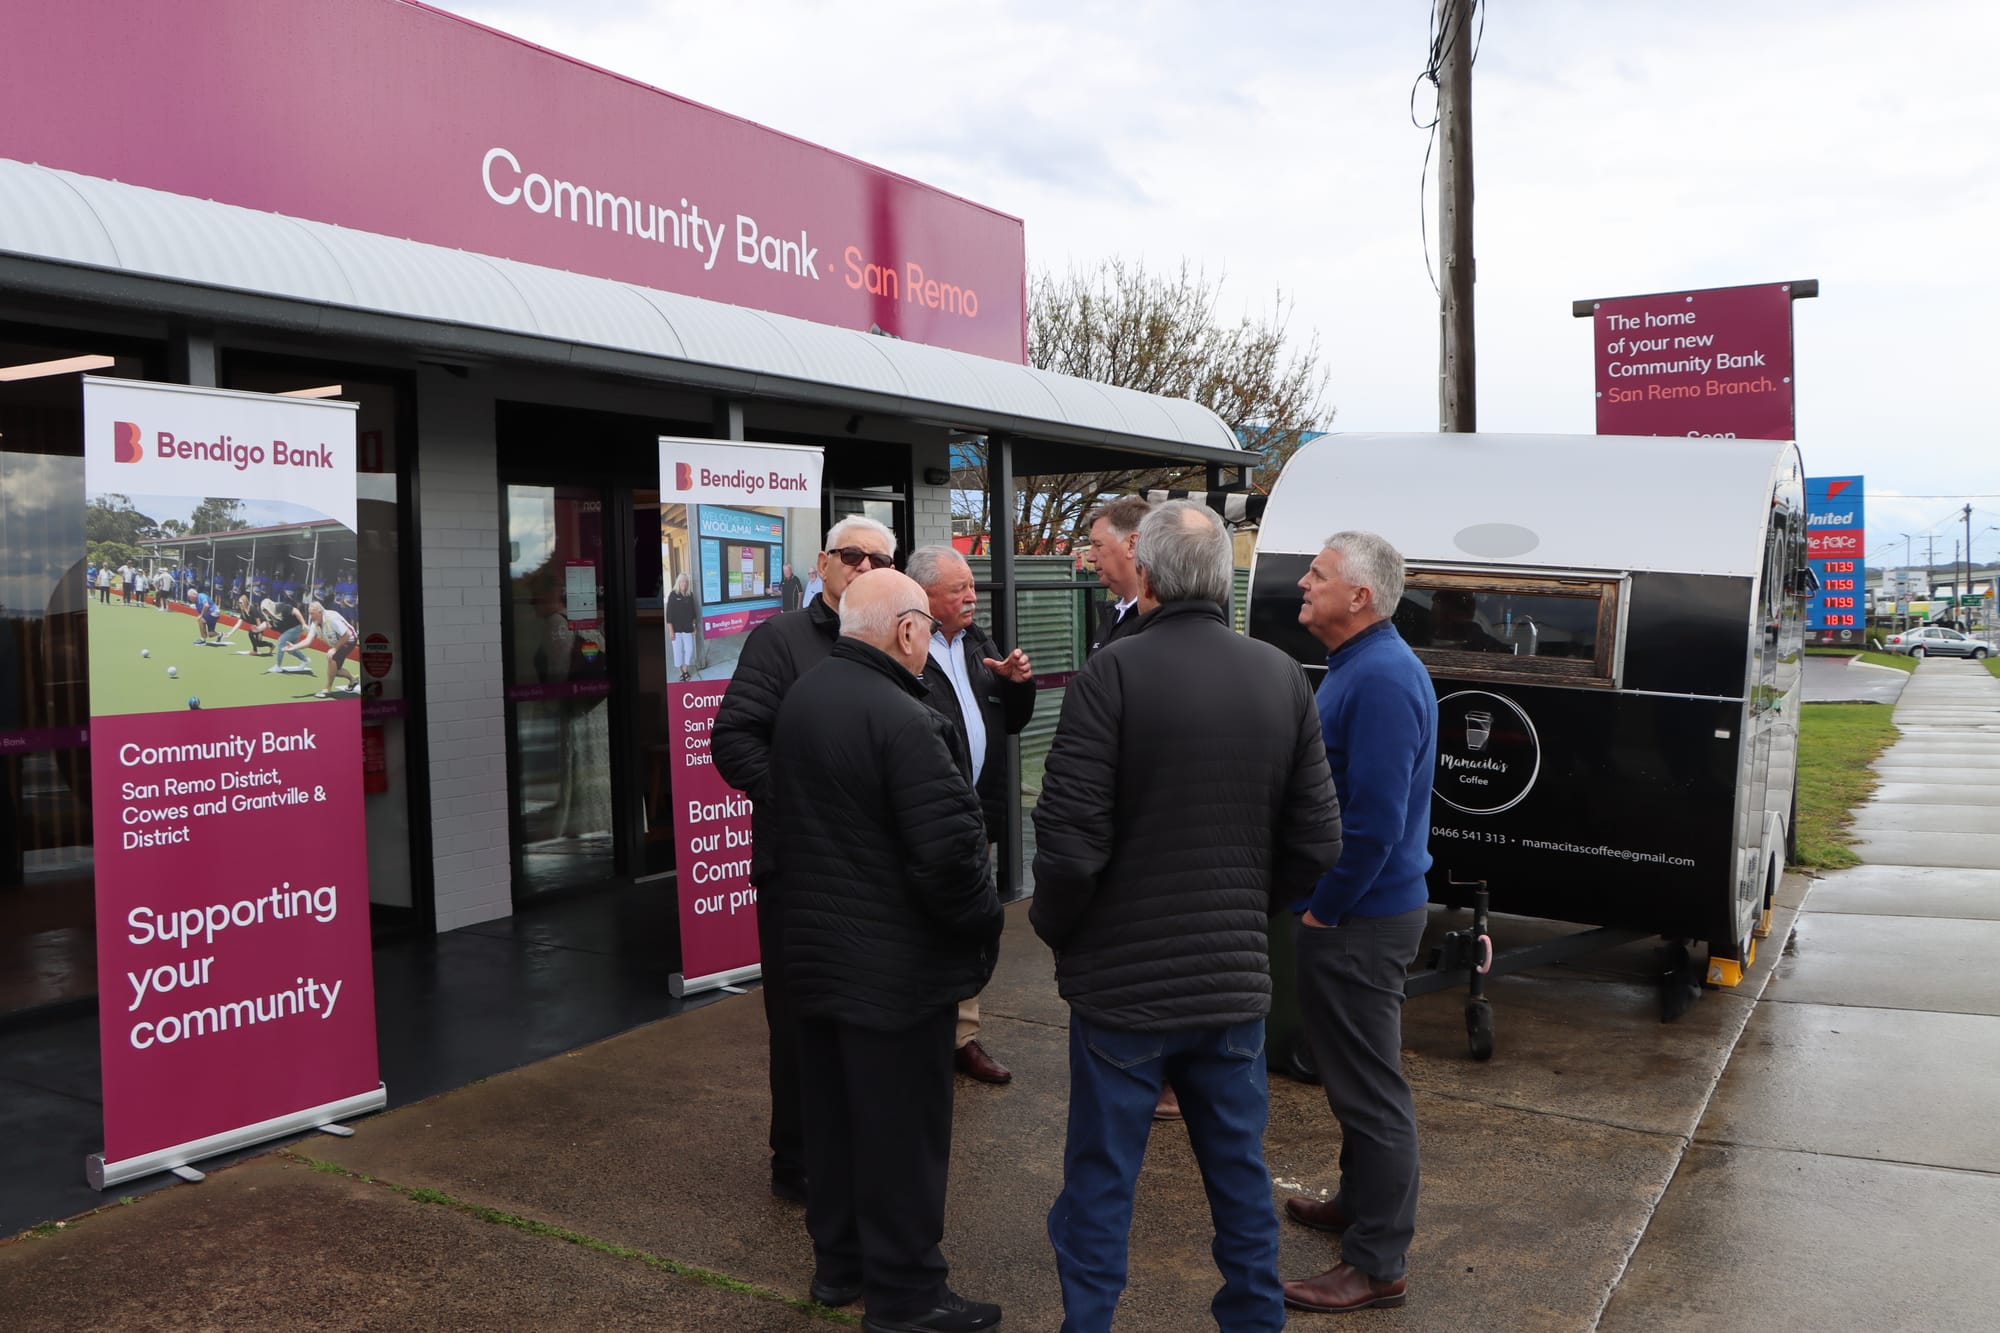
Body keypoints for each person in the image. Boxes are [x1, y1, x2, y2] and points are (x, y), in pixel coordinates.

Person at [1032, 501, 1343, 1333]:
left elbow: (1066, 848)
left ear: (1153, 571)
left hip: (1122, 989)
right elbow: (1319, 840)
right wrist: (1248, 904)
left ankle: (1088, 1322)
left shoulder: (1114, 673)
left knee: (1101, 1180)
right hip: (1230, 985)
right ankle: (1254, 1320)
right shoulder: (1281, 676)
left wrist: (1063, 931)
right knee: (1239, 1174)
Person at [770, 567, 1004, 1333]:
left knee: (834, 1124)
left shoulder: (805, 697)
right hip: (894, 973)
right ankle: (907, 1295)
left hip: (816, 958)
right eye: (924, 633)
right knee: (904, 1135)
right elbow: (950, 860)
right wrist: (981, 927)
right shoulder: (905, 717)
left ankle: (838, 1267)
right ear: (908, 631)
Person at [713, 515, 899, 1205]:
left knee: (866, 1020)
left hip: (877, 873)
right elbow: (733, 738)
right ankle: (797, 1160)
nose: (863, 566)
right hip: (799, 867)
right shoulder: (780, 640)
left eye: (879, 559)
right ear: (822, 562)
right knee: (798, 1025)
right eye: (852, 555)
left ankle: (856, 1148)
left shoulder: (896, 636)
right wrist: (801, 797)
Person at [1279, 531, 1438, 1317]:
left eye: (1318, 573)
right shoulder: (1360, 666)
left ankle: (1377, 1263)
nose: (1303, 582)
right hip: (1359, 912)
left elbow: (1374, 823)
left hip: (1360, 918)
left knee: (1372, 1089)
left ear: (1361, 596)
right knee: (1353, 1075)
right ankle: (1356, 1199)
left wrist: (1324, 906)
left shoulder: (1378, 679)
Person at [905, 545, 1035, 1086]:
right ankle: (917, 1034)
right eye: (958, 589)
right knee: (921, 925)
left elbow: (1010, 723)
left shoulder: (979, 642)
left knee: (969, 925)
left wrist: (1015, 684)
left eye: (972, 587)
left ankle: (962, 1036)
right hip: (923, 817)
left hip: (974, 813)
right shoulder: (906, 646)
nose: (971, 597)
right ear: (923, 596)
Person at [1084, 496, 1152, 656]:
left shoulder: (1155, 621)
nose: (1090, 556)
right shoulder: (1113, 614)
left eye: (1098, 545)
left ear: (1132, 544)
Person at [309, 600, 360, 698]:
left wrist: (334, 649)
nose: (310, 616)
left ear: (319, 612)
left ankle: (327, 690)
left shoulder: (331, 618)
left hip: (349, 639)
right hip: (341, 641)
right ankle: (353, 679)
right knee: (335, 671)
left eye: (312, 613)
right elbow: (308, 640)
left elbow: (346, 634)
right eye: (309, 613)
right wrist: (294, 647)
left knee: (332, 658)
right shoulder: (316, 621)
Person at [668, 573, 699, 681]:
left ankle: (686, 668)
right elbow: (669, 615)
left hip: (687, 628)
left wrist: (694, 626)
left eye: (685, 581)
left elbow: (693, 613)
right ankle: (681, 672)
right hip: (676, 630)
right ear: (678, 582)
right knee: (677, 651)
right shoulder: (673, 595)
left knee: (689, 650)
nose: (684, 583)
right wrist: (671, 631)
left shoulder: (689, 595)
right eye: (682, 581)